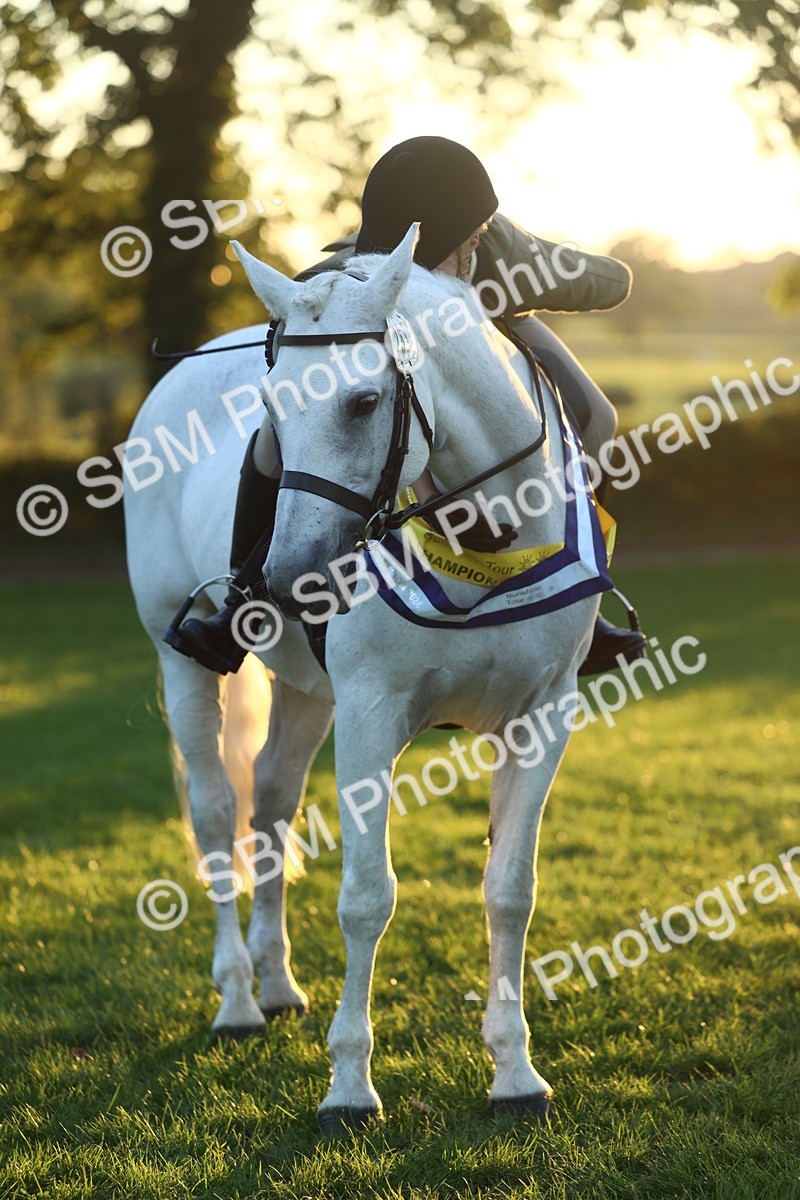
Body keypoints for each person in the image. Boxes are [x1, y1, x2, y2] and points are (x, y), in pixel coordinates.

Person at [165, 136, 646, 676]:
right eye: (467, 240)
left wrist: (623, 271)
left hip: (488, 327)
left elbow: (606, 282)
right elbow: (395, 408)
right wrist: (434, 499)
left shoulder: (502, 251)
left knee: (598, 415)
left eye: (477, 239)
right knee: (271, 444)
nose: (473, 247)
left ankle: (583, 592)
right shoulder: (352, 275)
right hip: (388, 343)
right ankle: (243, 603)